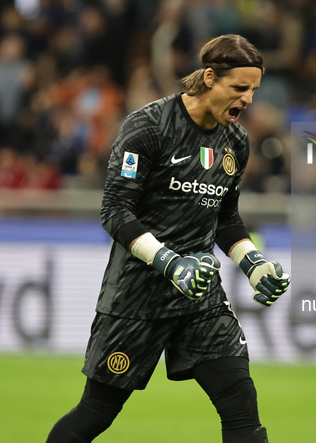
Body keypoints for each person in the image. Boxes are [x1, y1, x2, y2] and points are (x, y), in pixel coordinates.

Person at [46, 34, 290, 443]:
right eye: (240, 88)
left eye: (254, 90)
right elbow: (115, 211)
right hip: (138, 298)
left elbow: (225, 218)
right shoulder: (149, 126)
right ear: (210, 77)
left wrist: (253, 264)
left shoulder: (236, 141)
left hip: (199, 299)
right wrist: (170, 263)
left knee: (242, 411)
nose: (249, 99)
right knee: (95, 414)